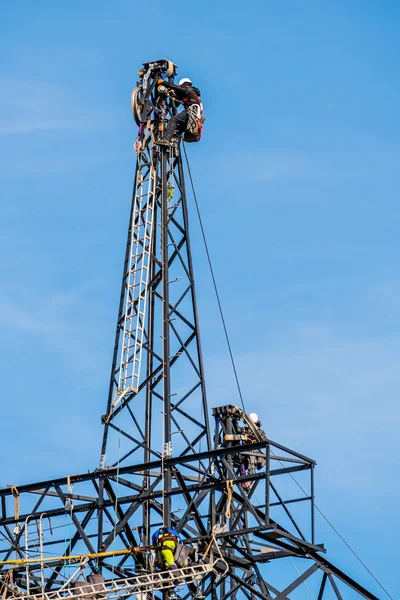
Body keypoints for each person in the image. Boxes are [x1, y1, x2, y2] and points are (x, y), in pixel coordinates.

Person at [156, 78, 203, 145]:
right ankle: (175, 145)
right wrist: (172, 95)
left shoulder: (189, 90)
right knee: (177, 130)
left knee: (173, 120)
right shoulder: (189, 95)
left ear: (183, 85)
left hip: (190, 113)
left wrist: (163, 82)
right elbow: (176, 103)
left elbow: (174, 87)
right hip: (192, 118)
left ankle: (166, 140)